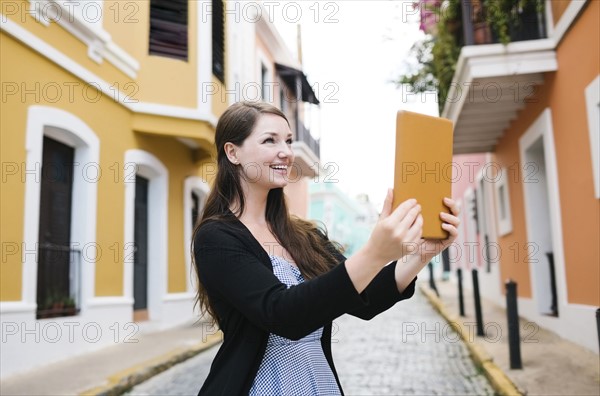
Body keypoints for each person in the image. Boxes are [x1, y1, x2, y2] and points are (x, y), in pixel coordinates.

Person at [192, 101, 460, 395]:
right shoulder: (216, 238)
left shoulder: (303, 235)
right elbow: (284, 315)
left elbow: (366, 298)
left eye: (289, 141)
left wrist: (421, 254)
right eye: (270, 140)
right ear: (233, 152)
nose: (286, 152)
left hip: (318, 383)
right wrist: (375, 251)